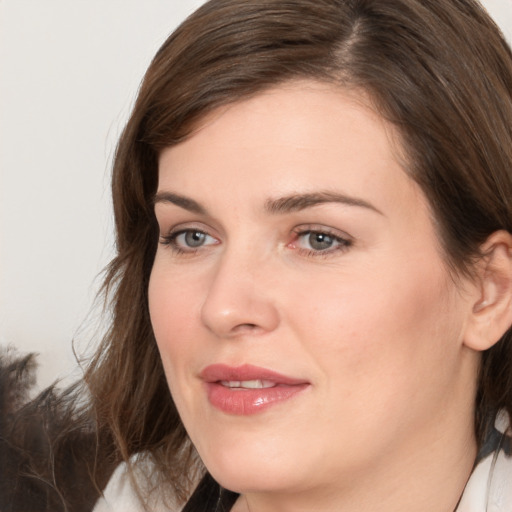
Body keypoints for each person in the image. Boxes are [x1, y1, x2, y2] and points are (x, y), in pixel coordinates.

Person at [83, 0, 512, 510]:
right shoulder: (134, 497)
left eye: (318, 238)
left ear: (489, 293)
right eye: (192, 236)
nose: (223, 308)